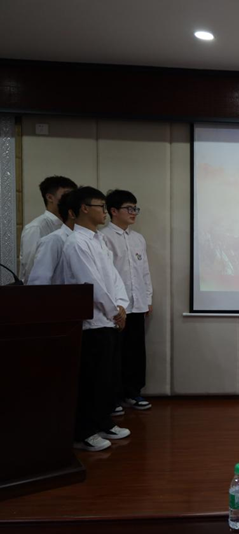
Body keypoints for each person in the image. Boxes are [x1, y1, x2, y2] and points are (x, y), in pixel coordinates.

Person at [62, 187, 132, 452]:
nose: (104, 212)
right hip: (92, 322)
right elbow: (89, 283)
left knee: (107, 378)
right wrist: (114, 311)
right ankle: (84, 432)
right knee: (91, 379)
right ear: (84, 208)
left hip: (110, 319)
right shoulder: (76, 243)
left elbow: (113, 277)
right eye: (100, 206)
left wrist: (122, 305)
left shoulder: (99, 240)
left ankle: (103, 422)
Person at [100, 190, 153, 411]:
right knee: (114, 354)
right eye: (129, 208)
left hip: (137, 304)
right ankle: (113, 398)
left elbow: (144, 272)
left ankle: (134, 393)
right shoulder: (103, 237)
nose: (133, 213)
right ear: (113, 211)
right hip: (116, 307)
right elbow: (105, 274)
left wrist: (147, 298)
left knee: (135, 352)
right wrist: (114, 304)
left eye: (135, 208)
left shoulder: (138, 238)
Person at [20, 175, 77, 282]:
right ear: (50, 197)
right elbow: (31, 269)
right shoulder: (36, 227)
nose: (71, 200)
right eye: (66, 194)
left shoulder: (72, 225)